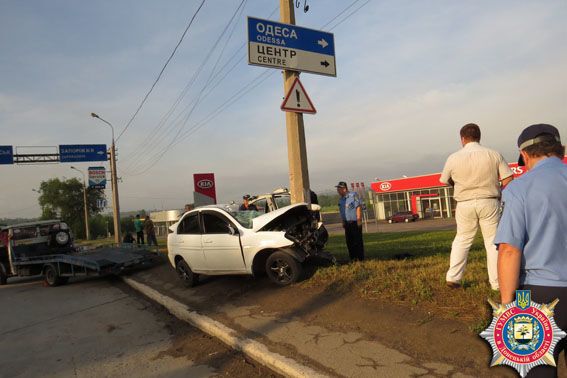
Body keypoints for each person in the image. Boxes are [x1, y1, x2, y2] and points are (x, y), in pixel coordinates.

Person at [494, 124, 566, 377]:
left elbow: (509, 251)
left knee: (537, 371)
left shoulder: (518, 189)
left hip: (535, 293)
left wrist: (506, 307)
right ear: (560, 149)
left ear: (525, 156)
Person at [440, 123, 514, 290]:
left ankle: (453, 277)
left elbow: (444, 180)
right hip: (489, 200)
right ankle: (496, 283)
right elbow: (508, 178)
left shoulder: (453, 157)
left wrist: (457, 185)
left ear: (462, 139)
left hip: (464, 203)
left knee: (462, 239)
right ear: (479, 136)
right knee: (492, 242)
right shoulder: (493, 154)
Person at [336, 181, 364, 262]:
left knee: (357, 241)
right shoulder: (341, 199)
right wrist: (343, 222)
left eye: (339, 189)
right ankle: (353, 258)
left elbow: (358, 207)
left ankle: (360, 258)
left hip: (354, 222)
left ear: (344, 189)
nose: (337, 190)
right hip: (347, 223)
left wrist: (359, 219)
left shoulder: (353, 195)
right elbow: (341, 211)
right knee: (349, 242)